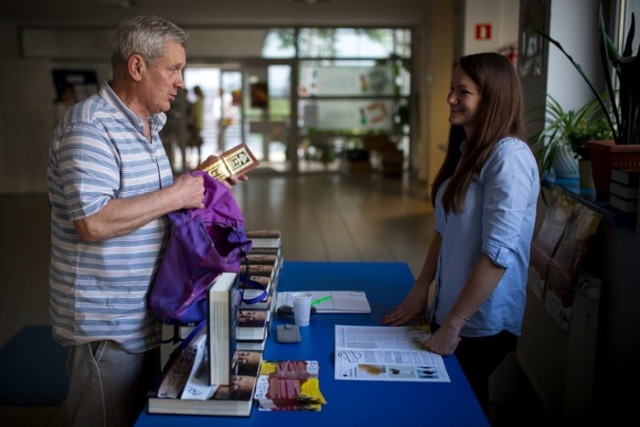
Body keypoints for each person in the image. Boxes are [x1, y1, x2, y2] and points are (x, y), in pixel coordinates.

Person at [47, 16, 246, 427]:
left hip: (142, 315)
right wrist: (178, 193)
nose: (179, 81)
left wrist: (200, 179)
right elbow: (94, 222)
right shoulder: (91, 128)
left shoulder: (148, 127)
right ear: (137, 67)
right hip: (107, 325)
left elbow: (149, 203)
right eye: (173, 69)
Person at [381, 52, 539, 417]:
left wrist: (453, 325)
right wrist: (422, 289)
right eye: (453, 89)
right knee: (451, 406)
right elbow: (444, 230)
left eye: (462, 92)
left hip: (478, 320)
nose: (450, 98)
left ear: (493, 98)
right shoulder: (469, 151)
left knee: (459, 409)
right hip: (450, 307)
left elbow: (498, 255)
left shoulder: (508, 158)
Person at [187, 85, 205, 165]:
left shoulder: (197, 102)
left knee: (193, 142)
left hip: (195, 125)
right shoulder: (201, 100)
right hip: (199, 124)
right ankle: (198, 160)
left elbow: (196, 115)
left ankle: (195, 160)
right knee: (197, 143)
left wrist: (193, 124)